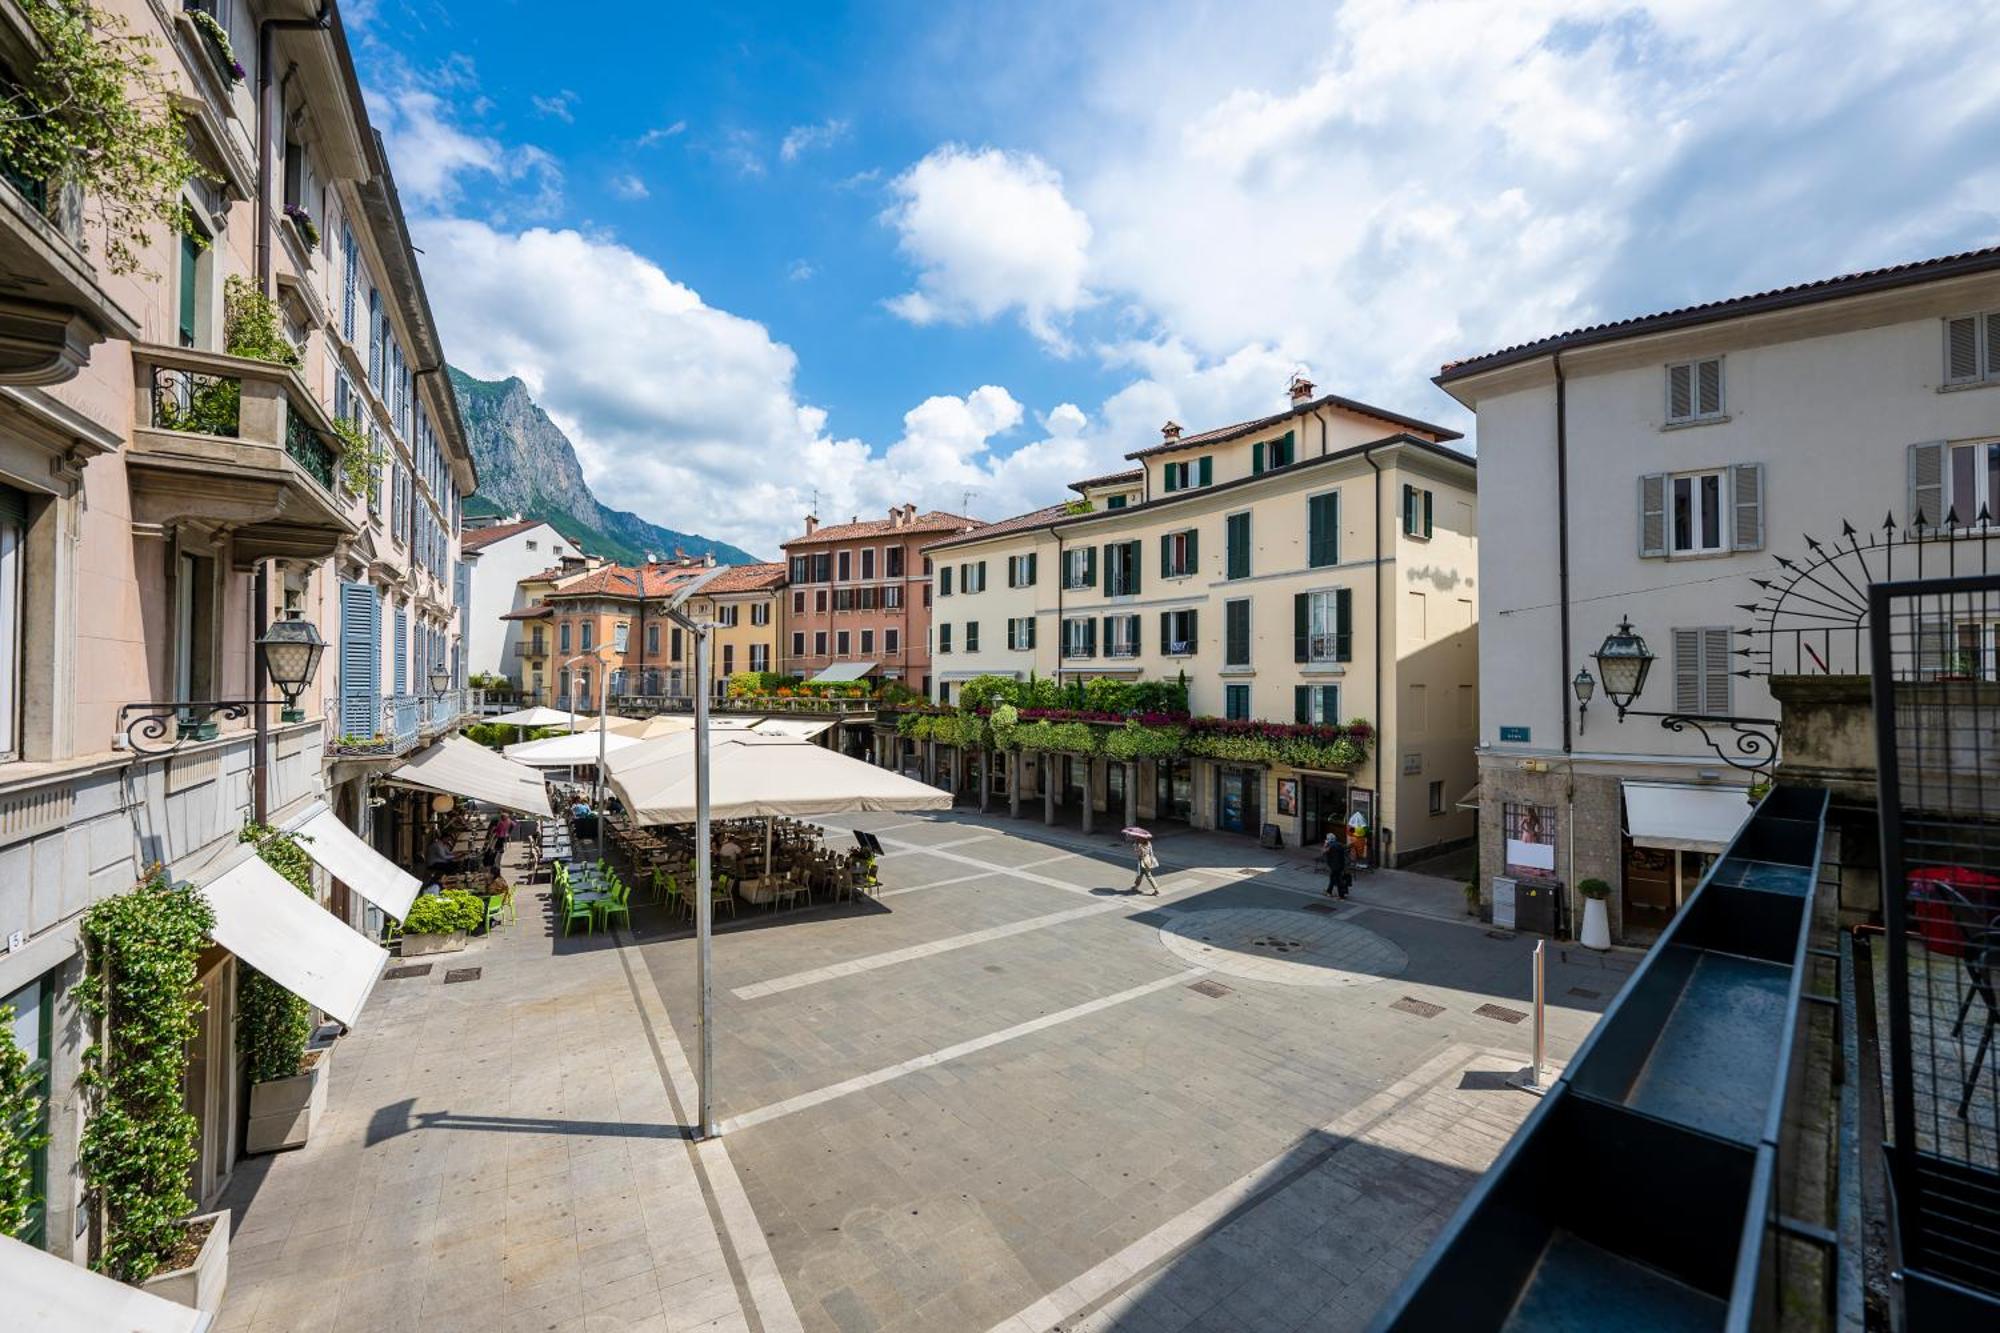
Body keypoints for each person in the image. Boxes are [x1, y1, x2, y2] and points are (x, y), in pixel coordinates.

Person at [1322, 828, 1351, 899]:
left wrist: (1325, 845)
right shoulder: (1339, 844)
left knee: (1338, 880)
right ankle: (1329, 891)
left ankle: (1341, 895)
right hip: (1340, 865)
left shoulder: (1330, 847)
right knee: (1333, 878)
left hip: (1334, 866)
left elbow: (1324, 851)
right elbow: (1346, 848)